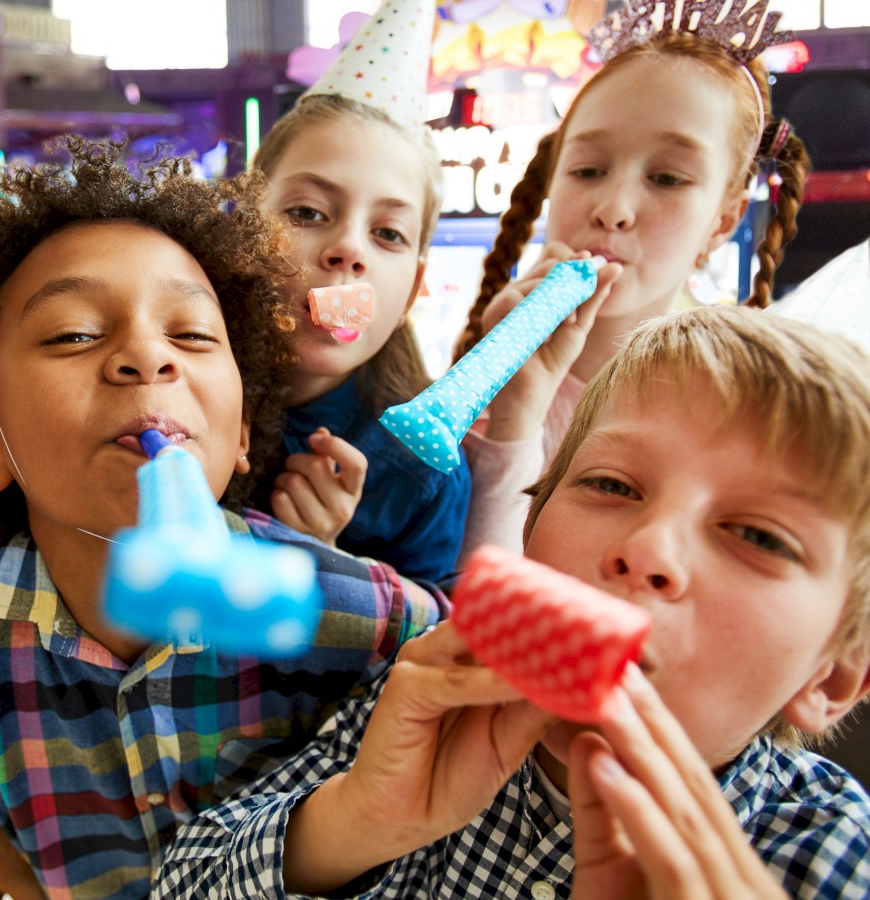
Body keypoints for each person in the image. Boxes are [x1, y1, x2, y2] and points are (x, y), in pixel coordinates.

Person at [0, 137, 448, 900]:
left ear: (241, 436)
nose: (145, 355)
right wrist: (6, 864)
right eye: (74, 333)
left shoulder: (366, 620)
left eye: (193, 334)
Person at [151, 304, 870, 900]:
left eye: (757, 535)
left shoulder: (827, 852)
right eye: (613, 486)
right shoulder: (425, 700)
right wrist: (354, 821)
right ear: (532, 531)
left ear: (832, 676)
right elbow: (181, 883)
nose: (648, 549)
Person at [455, 9, 809, 557]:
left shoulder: (759, 407)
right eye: (588, 170)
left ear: (724, 220)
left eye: (667, 178)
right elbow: (470, 609)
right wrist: (517, 412)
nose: (613, 210)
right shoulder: (479, 389)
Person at [250, 0, 471, 585]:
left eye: (387, 234)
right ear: (240, 227)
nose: (349, 250)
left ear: (413, 291)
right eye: (307, 211)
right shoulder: (164, 382)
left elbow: (422, 659)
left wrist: (332, 565)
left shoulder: (422, 471)